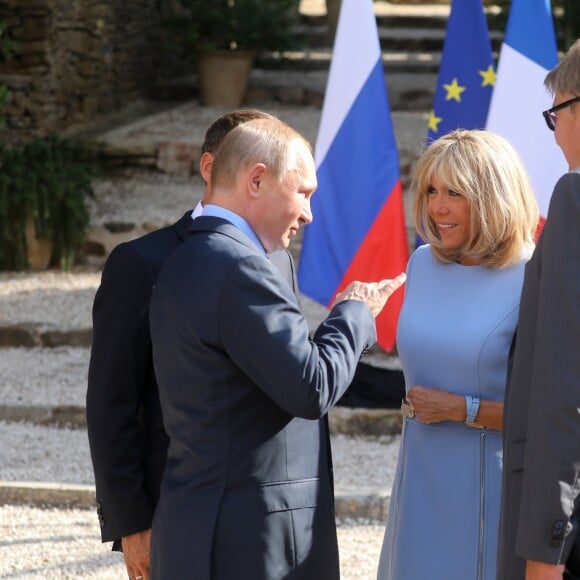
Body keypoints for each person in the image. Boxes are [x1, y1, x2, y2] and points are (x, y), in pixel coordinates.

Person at [148, 116, 406, 580]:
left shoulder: (186, 254)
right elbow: (310, 385)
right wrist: (356, 312)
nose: (309, 213)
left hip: (203, 524)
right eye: (303, 192)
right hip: (246, 540)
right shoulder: (238, 267)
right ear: (257, 179)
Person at [86, 109, 286, 580]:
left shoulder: (277, 262)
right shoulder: (141, 263)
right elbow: (111, 402)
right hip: (171, 510)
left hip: (254, 517)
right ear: (211, 167)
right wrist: (132, 522)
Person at [377, 129, 539, 580]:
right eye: (431, 190)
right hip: (419, 474)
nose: (438, 207)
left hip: (491, 487)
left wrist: (462, 410)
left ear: (492, 197)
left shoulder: (534, 276)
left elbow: (555, 414)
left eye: (455, 193)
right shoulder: (422, 264)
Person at [497, 39, 580, 580]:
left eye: (557, 115)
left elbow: (563, 389)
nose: (555, 135)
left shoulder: (575, 198)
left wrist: (546, 545)